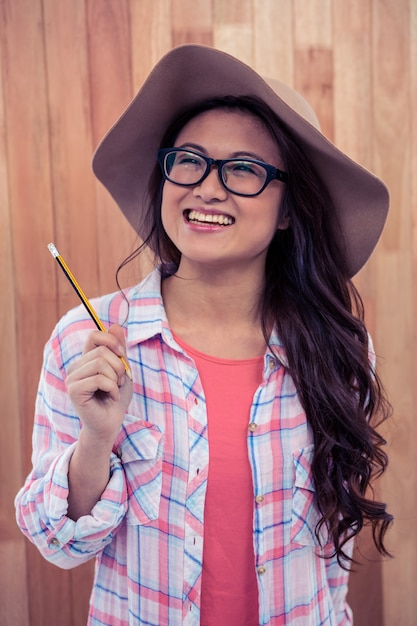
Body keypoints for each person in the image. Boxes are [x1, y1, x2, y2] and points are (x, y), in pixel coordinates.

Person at [15, 44, 392, 626]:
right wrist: (94, 441)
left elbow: (330, 553)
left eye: (244, 169)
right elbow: (58, 545)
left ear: (290, 208)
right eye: (188, 160)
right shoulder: (85, 343)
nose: (208, 188)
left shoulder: (336, 349)